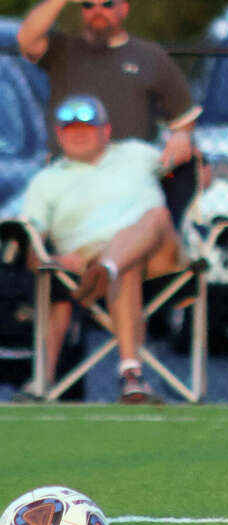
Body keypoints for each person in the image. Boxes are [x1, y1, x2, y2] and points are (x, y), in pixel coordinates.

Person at [18, 95, 181, 404]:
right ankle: (131, 375)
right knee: (123, 265)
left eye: (87, 128)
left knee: (156, 216)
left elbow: (190, 170)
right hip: (89, 264)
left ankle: (107, 267)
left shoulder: (138, 153)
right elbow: (31, 244)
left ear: (106, 131)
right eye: (70, 129)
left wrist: (186, 143)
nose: (78, 135)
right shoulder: (45, 181)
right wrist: (51, 259)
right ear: (59, 135)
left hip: (161, 254)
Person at [18, 0, 199, 176]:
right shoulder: (62, 50)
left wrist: (181, 137)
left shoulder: (151, 56)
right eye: (88, 5)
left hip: (131, 178)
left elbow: (184, 120)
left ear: (124, 9)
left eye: (107, 4)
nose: (98, 11)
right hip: (69, 175)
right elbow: (26, 38)